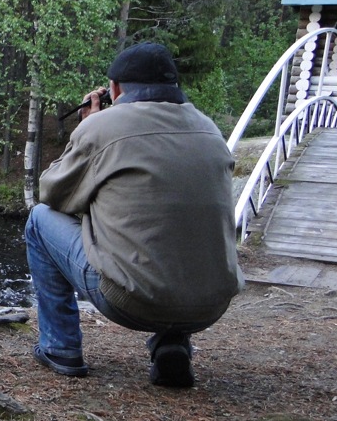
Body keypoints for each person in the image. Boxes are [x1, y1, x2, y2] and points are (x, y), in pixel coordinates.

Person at [25, 42, 245, 387]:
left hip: (132, 301)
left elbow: (52, 192)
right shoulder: (208, 128)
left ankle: (60, 347)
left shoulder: (103, 127)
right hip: (211, 304)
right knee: (169, 223)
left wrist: (84, 129)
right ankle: (172, 345)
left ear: (115, 89)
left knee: (39, 219)